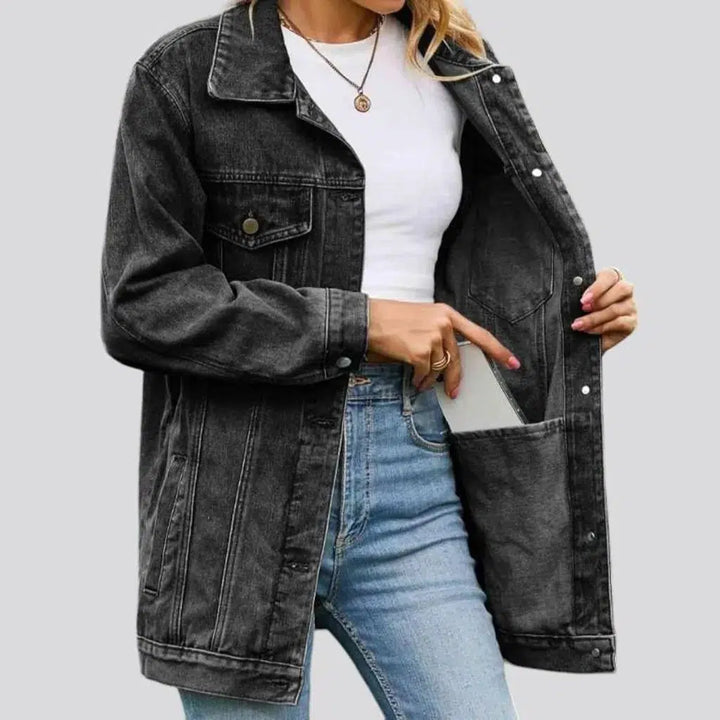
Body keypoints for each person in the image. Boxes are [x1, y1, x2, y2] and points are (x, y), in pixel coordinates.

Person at [101, 0, 638, 718]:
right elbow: (141, 303)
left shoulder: (450, 63)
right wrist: (363, 324)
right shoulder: (187, 73)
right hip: (237, 494)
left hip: (413, 477)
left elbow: (475, 283)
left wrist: (571, 322)